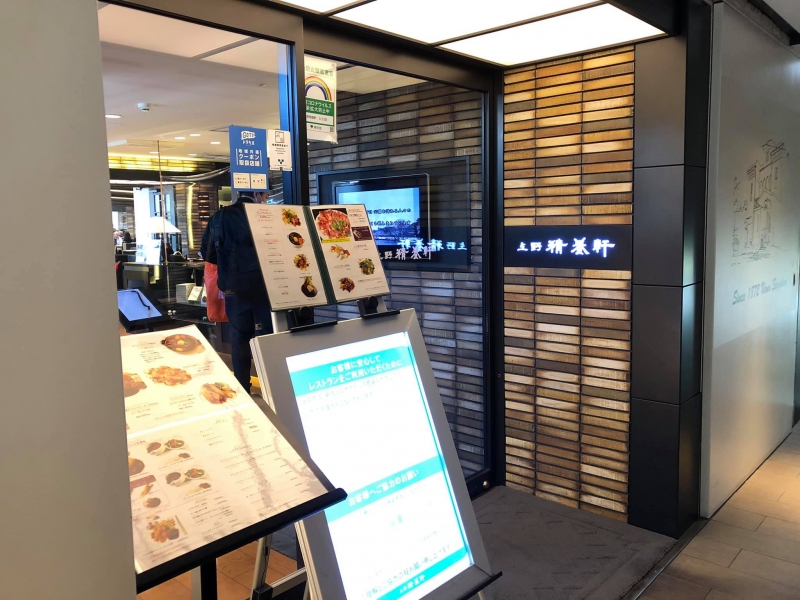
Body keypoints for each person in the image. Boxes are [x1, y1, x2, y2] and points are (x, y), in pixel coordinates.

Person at [204, 194, 272, 391]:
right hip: (267, 287)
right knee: (268, 337)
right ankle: (273, 387)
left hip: (234, 287)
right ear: (257, 195)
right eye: (265, 195)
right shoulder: (265, 214)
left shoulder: (219, 217)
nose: (265, 199)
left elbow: (208, 254)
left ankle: (243, 387)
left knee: (240, 339)